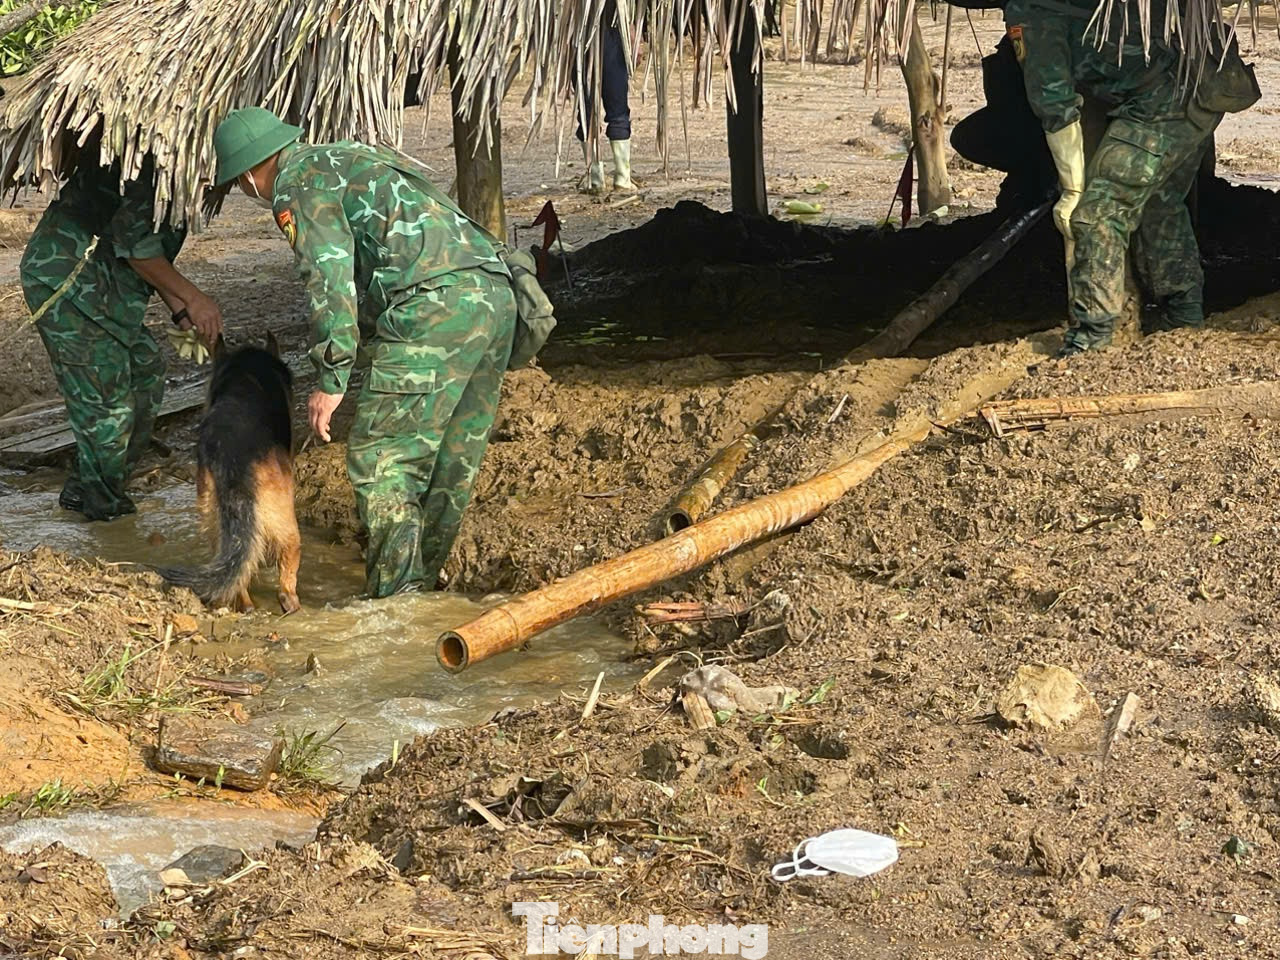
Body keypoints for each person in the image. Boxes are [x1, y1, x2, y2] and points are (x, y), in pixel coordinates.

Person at [211, 107, 518, 598]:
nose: (246, 192)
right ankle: (422, 589)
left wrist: (330, 381)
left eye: (239, 184)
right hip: (495, 297)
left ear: (249, 173)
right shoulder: (347, 156)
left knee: (381, 459)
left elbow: (329, 281)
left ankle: (395, 604)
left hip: (431, 305)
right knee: (450, 459)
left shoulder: (297, 185)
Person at [1004, 0, 1234, 355]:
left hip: (1169, 96)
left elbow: (1055, 104)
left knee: (1098, 212)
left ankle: (1092, 341)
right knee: (1160, 203)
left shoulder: (1031, 9)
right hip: (1206, 81)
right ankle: (1184, 321)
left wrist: (1072, 190)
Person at [20, 149, 223, 521]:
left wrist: (179, 309)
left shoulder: (180, 174)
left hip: (106, 293)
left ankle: (86, 490)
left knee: (146, 372)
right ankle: (108, 516)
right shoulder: (157, 166)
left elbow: (151, 251)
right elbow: (137, 251)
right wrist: (194, 298)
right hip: (67, 283)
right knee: (108, 410)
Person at [576, 0, 635, 194]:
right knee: (617, 112)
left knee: (586, 112)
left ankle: (595, 178)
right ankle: (622, 178)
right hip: (612, 33)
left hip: (580, 34)